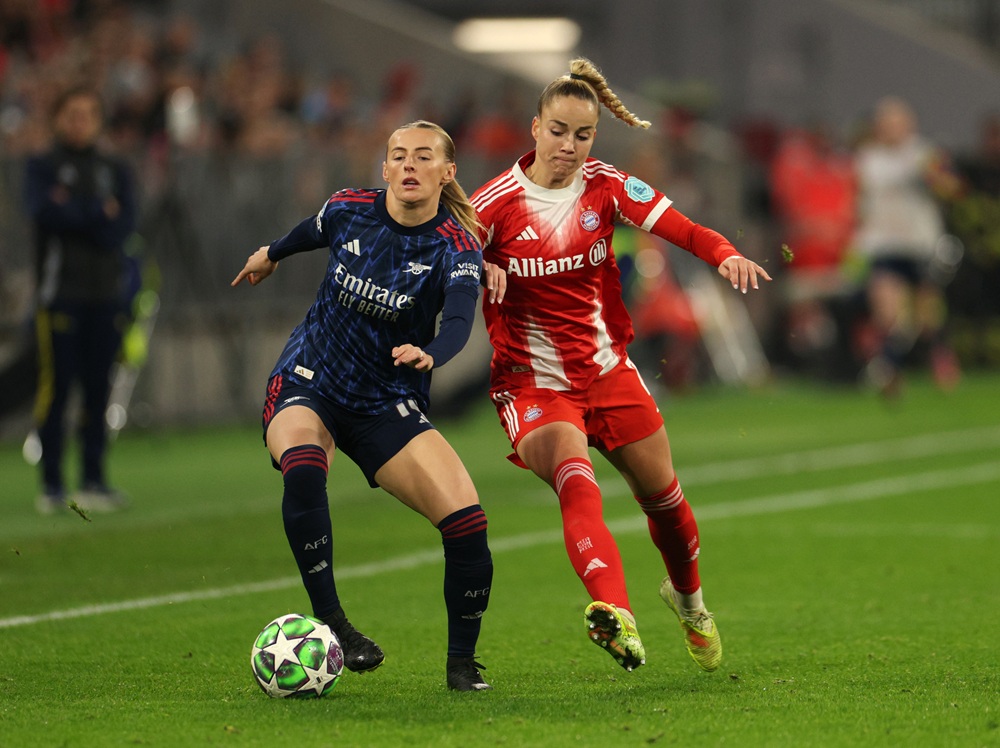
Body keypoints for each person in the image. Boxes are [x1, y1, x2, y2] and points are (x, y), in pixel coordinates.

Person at [471, 58, 771, 673]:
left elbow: (681, 227)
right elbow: (435, 272)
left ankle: (689, 604)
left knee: (667, 505)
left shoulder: (606, 186)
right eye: (558, 131)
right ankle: (616, 614)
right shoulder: (491, 207)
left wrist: (725, 253)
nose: (569, 146)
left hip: (608, 372)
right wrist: (473, 269)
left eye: (582, 135)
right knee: (575, 477)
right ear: (534, 128)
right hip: (533, 385)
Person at [231, 120, 500, 692]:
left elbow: (458, 320)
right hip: (311, 376)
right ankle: (333, 624)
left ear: (446, 173)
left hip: (385, 398)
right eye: (398, 155)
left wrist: (431, 354)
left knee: (468, 526)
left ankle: (461, 667)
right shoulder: (350, 207)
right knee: (304, 466)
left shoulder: (456, 247)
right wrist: (270, 254)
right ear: (384, 169)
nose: (408, 165)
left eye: (423, 157)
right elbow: (312, 230)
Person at [24, 86, 138, 514]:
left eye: (89, 113)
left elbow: (123, 224)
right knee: (57, 389)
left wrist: (79, 212)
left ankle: (94, 478)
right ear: (58, 118)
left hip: (106, 294)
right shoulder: (43, 166)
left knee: (98, 389)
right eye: (73, 114)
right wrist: (96, 213)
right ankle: (51, 483)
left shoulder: (114, 167)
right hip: (61, 295)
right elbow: (47, 214)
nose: (81, 122)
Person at [853, 96, 962, 396]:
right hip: (884, 246)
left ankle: (938, 354)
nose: (889, 129)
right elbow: (859, 200)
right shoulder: (867, 159)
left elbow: (953, 188)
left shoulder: (923, 154)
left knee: (926, 315)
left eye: (894, 123)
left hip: (920, 243)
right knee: (888, 312)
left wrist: (936, 178)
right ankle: (888, 369)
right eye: (884, 124)